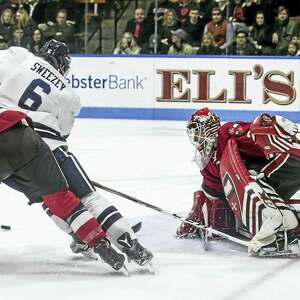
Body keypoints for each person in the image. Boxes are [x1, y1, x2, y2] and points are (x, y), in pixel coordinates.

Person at [0, 40, 153, 269]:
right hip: (48, 146)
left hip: (7, 134)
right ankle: (128, 241)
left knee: (50, 199)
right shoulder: (68, 94)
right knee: (87, 196)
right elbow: (63, 133)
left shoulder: (20, 57)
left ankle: (80, 237)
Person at [0, 108, 125, 271]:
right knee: (58, 198)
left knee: (44, 197)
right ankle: (98, 242)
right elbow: (25, 121)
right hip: (25, 142)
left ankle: (78, 237)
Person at [177, 107, 300, 256]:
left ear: (210, 127)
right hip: (280, 169)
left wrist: (269, 126)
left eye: (199, 131)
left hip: (288, 156)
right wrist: (195, 217)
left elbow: (257, 133)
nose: (196, 137)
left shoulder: (226, 132)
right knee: (251, 183)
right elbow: (211, 194)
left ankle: (277, 235)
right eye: (194, 133)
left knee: (251, 177)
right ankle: (288, 226)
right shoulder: (209, 163)